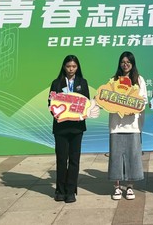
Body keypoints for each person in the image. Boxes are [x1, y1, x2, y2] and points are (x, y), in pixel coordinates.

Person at [49, 54, 91, 203]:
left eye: (74, 66)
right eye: (68, 66)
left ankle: (71, 191)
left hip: (76, 127)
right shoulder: (56, 83)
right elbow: (50, 103)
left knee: (74, 159)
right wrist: (58, 112)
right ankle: (60, 190)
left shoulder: (82, 83)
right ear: (64, 67)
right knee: (61, 159)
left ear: (77, 67)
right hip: (61, 127)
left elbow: (87, 103)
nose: (71, 69)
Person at [108, 51, 147, 200]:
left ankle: (130, 186)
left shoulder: (139, 80)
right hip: (116, 125)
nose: (125, 65)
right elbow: (107, 99)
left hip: (133, 125)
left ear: (132, 64)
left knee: (133, 156)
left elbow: (143, 100)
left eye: (128, 62)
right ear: (119, 63)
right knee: (116, 157)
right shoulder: (113, 80)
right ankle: (117, 187)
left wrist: (134, 108)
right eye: (123, 62)